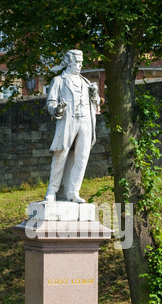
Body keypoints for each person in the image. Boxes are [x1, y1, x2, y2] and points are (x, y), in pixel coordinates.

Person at [44, 50, 100, 203]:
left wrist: (95, 94)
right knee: (60, 155)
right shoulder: (58, 81)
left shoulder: (86, 82)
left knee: (82, 157)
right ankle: (51, 191)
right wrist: (58, 109)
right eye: (77, 62)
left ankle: (73, 192)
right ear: (68, 62)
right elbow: (51, 103)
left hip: (86, 121)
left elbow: (97, 103)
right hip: (68, 122)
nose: (79, 66)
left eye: (81, 63)